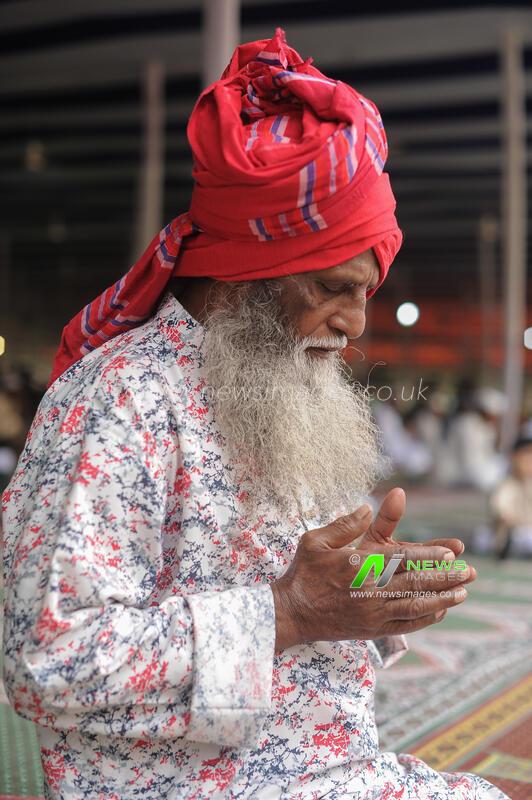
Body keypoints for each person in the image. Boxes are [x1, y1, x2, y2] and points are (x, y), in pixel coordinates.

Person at [1, 30, 507, 800]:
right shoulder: (120, 402)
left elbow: (308, 586)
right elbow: (44, 659)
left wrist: (373, 585)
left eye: (365, 293)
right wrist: (288, 613)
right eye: (334, 289)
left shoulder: (283, 392)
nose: (356, 324)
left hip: (328, 773)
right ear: (245, 276)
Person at [490, 436, 532, 559]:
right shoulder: (505, 485)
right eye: (526, 455)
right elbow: (501, 515)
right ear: (514, 457)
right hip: (516, 533)